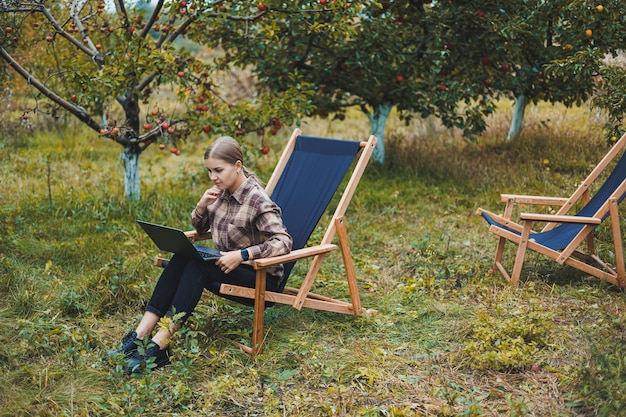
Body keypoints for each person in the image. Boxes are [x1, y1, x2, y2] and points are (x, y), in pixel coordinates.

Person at [111, 136, 293, 374]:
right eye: (209, 171)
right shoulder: (222, 192)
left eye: (218, 170)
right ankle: (141, 334)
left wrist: (242, 255)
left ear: (238, 166)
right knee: (183, 255)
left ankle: (160, 344)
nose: (213, 177)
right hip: (226, 266)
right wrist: (201, 205)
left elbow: (284, 241)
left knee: (198, 265)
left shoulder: (257, 200)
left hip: (259, 278)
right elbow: (200, 229)